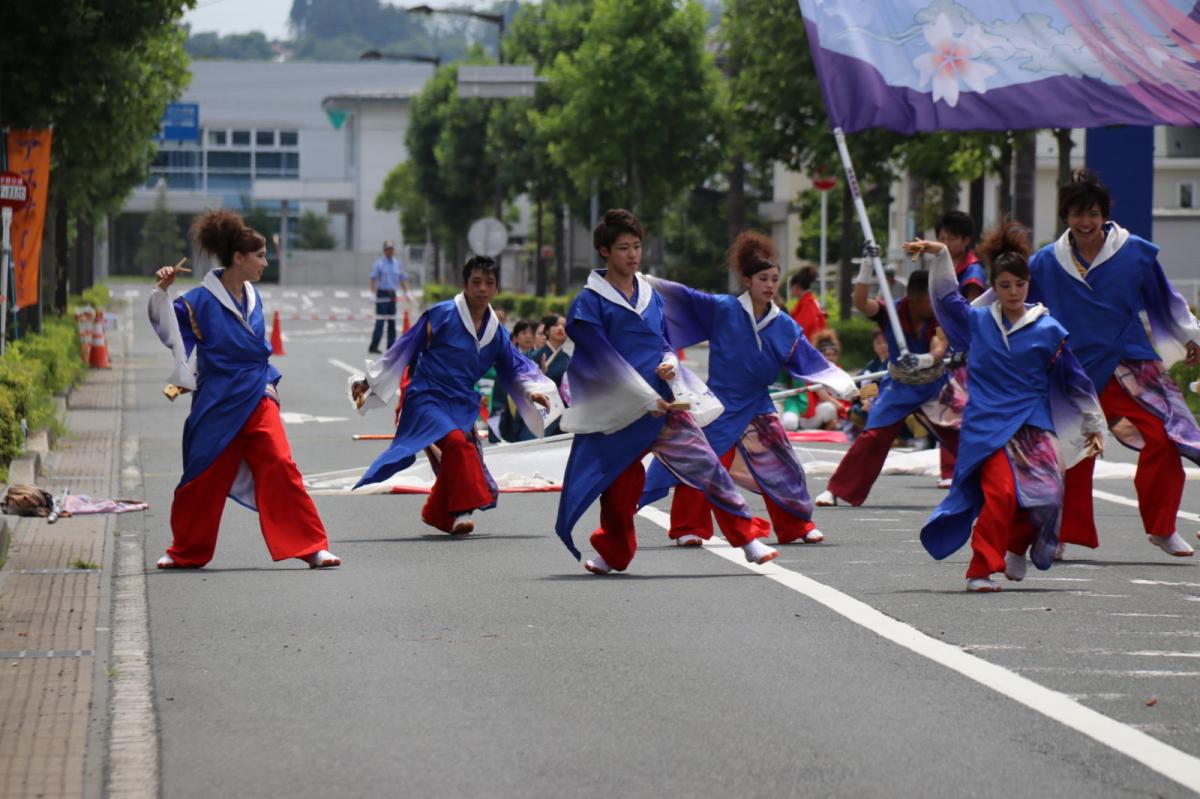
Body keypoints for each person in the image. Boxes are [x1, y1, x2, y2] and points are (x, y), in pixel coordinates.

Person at [555, 209, 778, 574]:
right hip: (618, 411)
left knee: (707, 465)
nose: (632, 255)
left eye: (637, 246)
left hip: (665, 404)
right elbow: (600, 361)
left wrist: (669, 362)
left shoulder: (650, 294)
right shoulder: (588, 302)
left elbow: (662, 342)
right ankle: (613, 553)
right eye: (624, 247)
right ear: (604, 251)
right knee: (617, 491)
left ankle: (747, 539)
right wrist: (643, 399)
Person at [911, 222, 1105, 592]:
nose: (1014, 291)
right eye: (1005, 285)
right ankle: (980, 570)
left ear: (1028, 284)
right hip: (987, 426)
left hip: (1033, 423)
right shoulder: (977, 321)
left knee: (1048, 496)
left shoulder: (1048, 328)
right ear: (994, 288)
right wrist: (939, 255)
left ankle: (1017, 547)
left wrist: (1093, 422)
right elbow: (945, 296)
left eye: (1020, 284)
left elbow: (1074, 378)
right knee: (1000, 495)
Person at [147, 210, 340, 569]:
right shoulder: (198, 302)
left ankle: (312, 545)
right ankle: (186, 551)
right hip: (218, 397)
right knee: (203, 473)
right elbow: (169, 331)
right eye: (260, 256)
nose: (266, 263)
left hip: (256, 389)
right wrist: (162, 291)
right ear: (239, 258)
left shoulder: (253, 295)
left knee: (281, 462)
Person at [640, 231, 857, 548]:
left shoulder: (783, 324)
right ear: (747, 280)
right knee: (703, 463)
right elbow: (684, 297)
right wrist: (648, 282)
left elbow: (809, 359)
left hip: (757, 404)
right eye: (763, 278)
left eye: (774, 279)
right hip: (719, 405)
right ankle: (689, 527)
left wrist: (839, 381)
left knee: (783, 464)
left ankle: (795, 525)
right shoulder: (723, 309)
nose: (770, 285)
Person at [1024, 170, 1200, 558]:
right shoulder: (1044, 263)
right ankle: (1059, 534)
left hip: (1130, 362)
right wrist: (977, 330)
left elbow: (1166, 301)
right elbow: (1017, 306)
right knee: (1072, 449)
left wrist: (1192, 336)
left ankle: (1162, 526)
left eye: (1092, 214)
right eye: (1076, 214)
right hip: (1073, 367)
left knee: (1167, 435)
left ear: (1104, 214)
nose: (1085, 223)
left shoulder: (1135, 252)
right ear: (1065, 217)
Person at [350, 256, 560, 534]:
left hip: (461, 402)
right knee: (457, 444)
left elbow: (514, 365)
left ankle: (436, 512)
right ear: (464, 284)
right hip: (427, 396)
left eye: (489, 283)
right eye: (476, 282)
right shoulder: (441, 315)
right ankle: (461, 511)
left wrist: (533, 391)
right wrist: (368, 381)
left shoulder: (496, 331)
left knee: (463, 449)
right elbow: (404, 348)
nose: (482, 288)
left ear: (497, 289)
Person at [814, 267, 964, 506]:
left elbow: (939, 345)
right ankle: (836, 490)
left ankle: (986, 486)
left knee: (963, 433)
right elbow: (861, 302)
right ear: (914, 299)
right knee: (873, 436)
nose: (934, 303)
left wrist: (924, 359)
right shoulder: (891, 312)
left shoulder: (937, 315)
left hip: (934, 386)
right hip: (899, 386)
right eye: (929, 299)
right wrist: (864, 268)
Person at [368, 240, 411, 354]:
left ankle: (391, 347)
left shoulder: (397, 263)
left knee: (392, 321)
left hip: (392, 294)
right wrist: (372, 293)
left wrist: (407, 292)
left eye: (391, 249)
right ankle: (374, 345)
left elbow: (402, 278)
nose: (390, 251)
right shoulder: (379, 263)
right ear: (384, 251)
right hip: (382, 294)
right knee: (381, 320)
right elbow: (373, 278)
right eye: (387, 249)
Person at [935, 210, 986, 302]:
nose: (946, 244)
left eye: (952, 239)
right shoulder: (939, 266)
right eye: (942, 239)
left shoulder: (973, 272)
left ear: (966, 240)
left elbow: (974, 309)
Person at [788, 266, 828, 340]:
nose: (791, 290)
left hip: (807, 346)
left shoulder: (807, 303)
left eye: (791, 287)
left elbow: (804, 327)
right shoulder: (809, 301)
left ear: (797, 286)